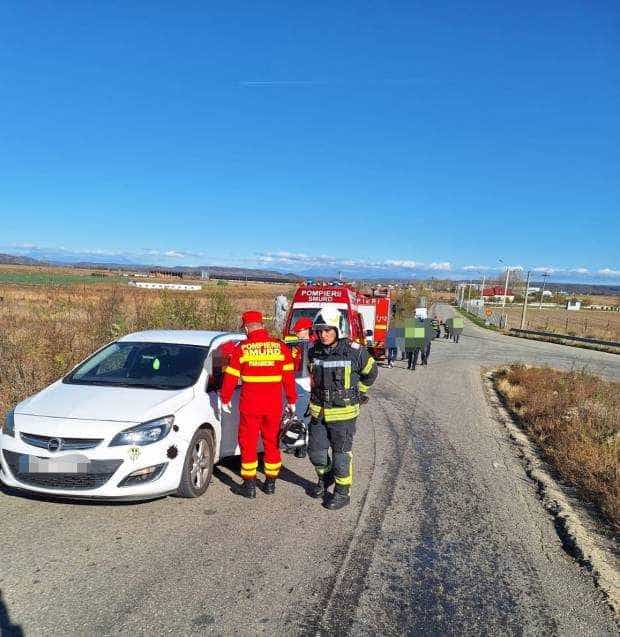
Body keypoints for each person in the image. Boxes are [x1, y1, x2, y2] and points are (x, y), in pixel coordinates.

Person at [307, 305, 378, 510]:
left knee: (340, 456)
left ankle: (342, 492)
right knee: (316, 454)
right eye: (319, 331)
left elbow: (371, 373)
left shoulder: (355, 352)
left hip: (344, 415)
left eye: (327, 330)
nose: (323, 334)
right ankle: (325, 478)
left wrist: (359, 392)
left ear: (339, 329)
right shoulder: (314, 352)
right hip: (318, 412)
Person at [220, 310, 297, 498]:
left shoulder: (242, 349)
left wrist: (225, 398)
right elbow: (289, 378)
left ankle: (250, 486)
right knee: (271, 442)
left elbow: (230, 377)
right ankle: (270, 483)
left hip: (250, 406)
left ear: (246, 328)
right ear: (262, 325)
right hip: (273, 406)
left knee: (248, 443)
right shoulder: (280, 348)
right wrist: (292, 400)